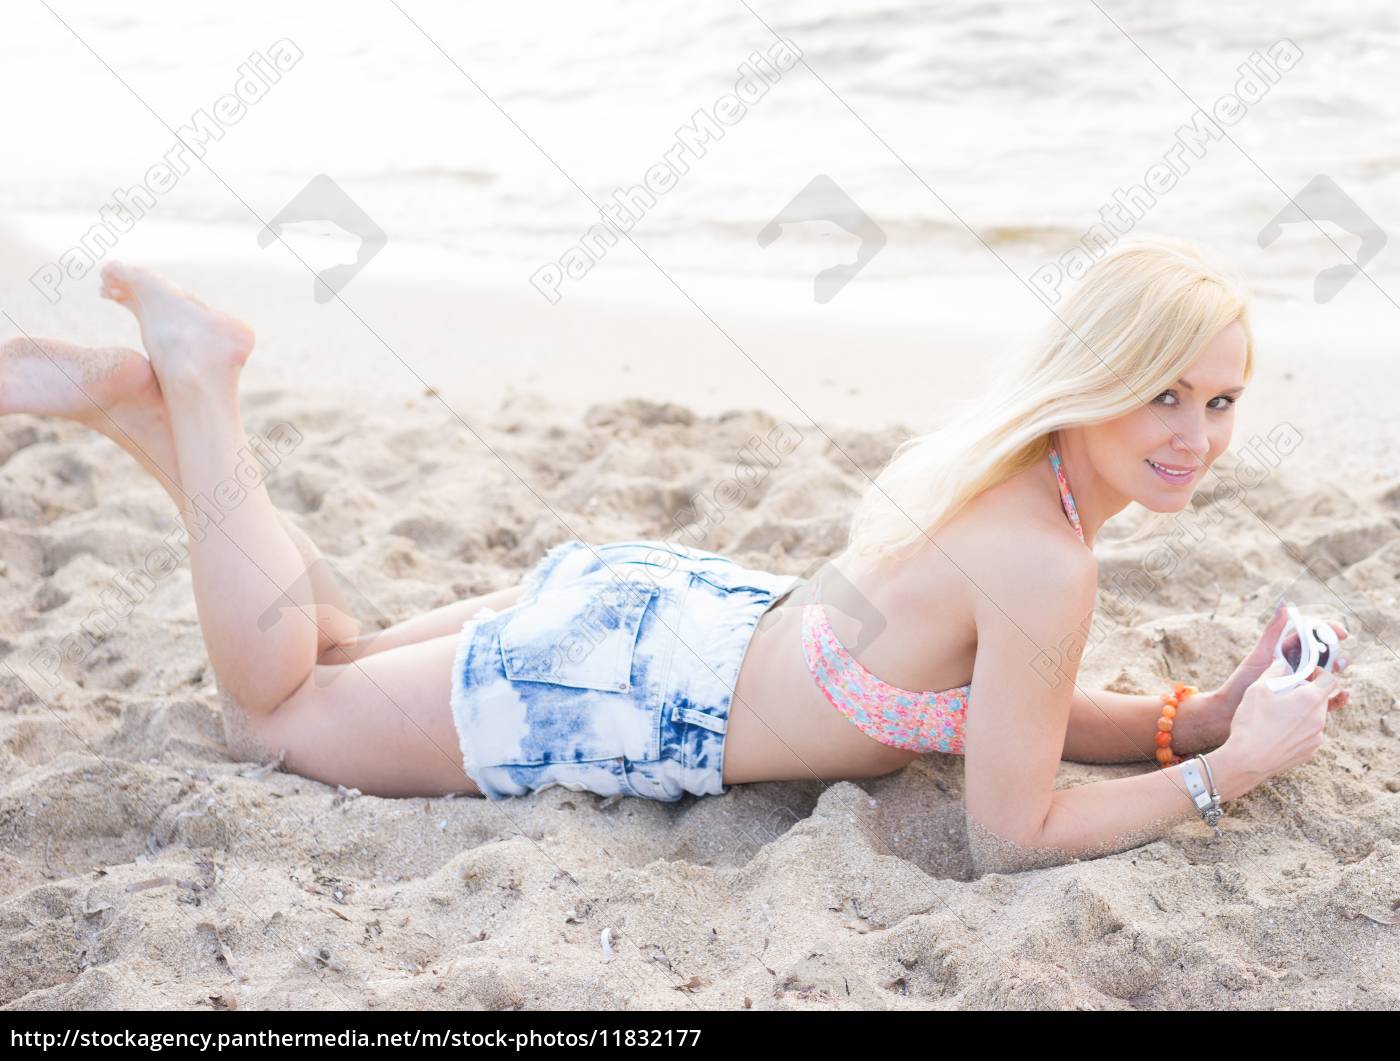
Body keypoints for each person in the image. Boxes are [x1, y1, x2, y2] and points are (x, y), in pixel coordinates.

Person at [0, 237, 1349, 875]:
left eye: (1221, 401)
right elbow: (1011, 826)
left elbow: (1011, 718)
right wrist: (1230, 774)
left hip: (666, 616)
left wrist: (1190, 718)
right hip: (630, 685)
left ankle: (152, 415)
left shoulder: (1021, 485)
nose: (1195, 435)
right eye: (1163, 395)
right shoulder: (1047, 559)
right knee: (271, 712)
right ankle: (204, 385)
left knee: (331, 653)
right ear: (1095, 381)